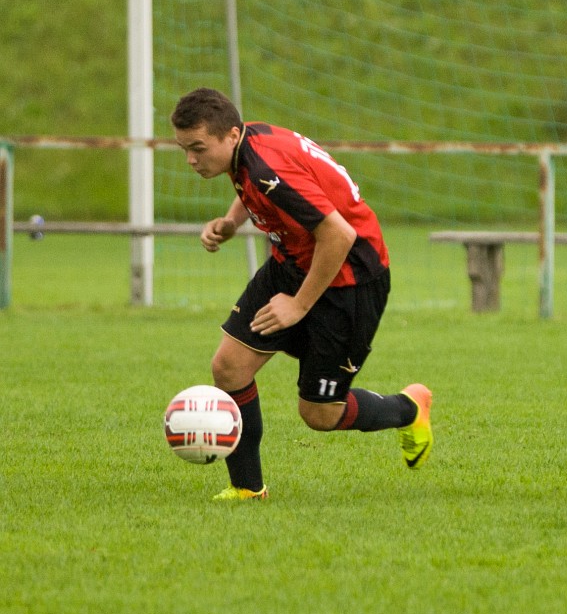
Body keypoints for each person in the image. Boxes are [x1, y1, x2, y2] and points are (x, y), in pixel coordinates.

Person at [171, 88, 432, 501]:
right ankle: (247, 488)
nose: (190, 159)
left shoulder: (266, 167)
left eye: (198, 149)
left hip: (349, 279)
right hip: (292, 261)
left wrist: (298, 305)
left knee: (319, 414)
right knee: (229, 367)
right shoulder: (248, 144)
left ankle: (409, 408)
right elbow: (256, 187)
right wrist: (232, 221)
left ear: (231, 135)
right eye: (184, 149)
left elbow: (339, 235)